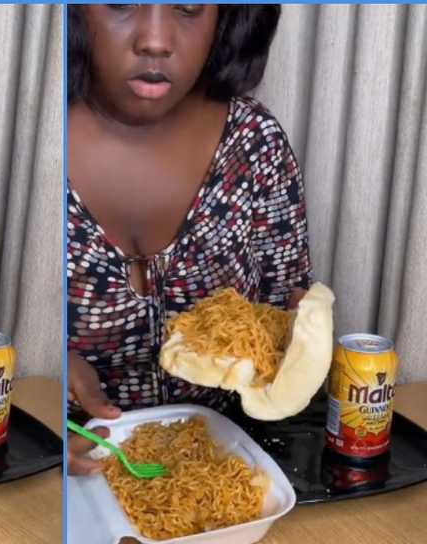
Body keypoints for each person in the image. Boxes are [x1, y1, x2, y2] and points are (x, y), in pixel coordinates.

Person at [66, 4, 311, 474]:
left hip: (224, 469)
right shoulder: (40, 137)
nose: (156, 41)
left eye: (189, 6)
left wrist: (300, 345)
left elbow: (286, 327)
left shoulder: (256, 145)